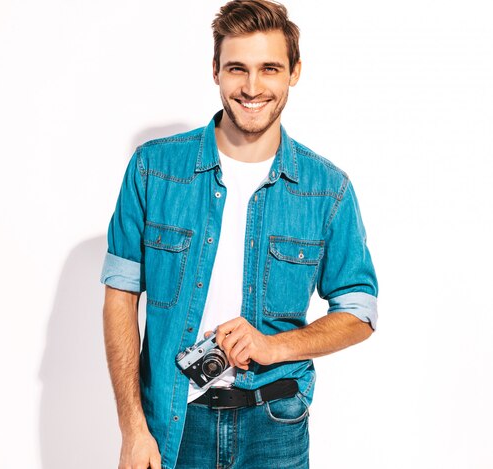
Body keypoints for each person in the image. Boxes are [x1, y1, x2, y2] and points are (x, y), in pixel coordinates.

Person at [100, 1, 378, 467]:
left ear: (294, 72)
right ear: (215, 71)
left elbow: (359, 311)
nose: (252, 87)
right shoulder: (153, 169)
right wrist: (132, 428)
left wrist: (274, 346)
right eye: (237, 69)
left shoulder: (328, 189)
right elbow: (119, 298)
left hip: (276, 427)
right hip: (173, 425)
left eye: (269, 68)